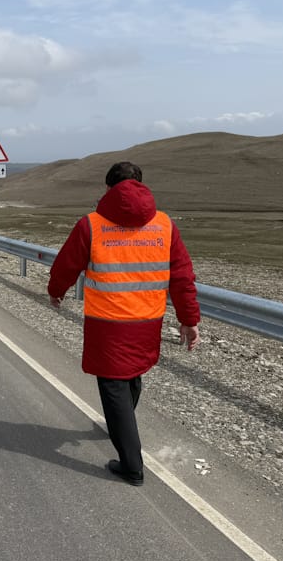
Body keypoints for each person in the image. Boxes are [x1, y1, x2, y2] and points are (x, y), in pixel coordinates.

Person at [48, 162, 200, 486]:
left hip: (108, 323)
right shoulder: (164, 225)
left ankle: (132, 466)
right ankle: (122, 424)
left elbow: (66, 265)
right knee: (131, 375)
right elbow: (183, 277)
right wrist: (188, 320)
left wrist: (55, 291)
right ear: (141, 185)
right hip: (147, 322)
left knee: (113, 384)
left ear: (108, 189)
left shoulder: (92, 224)